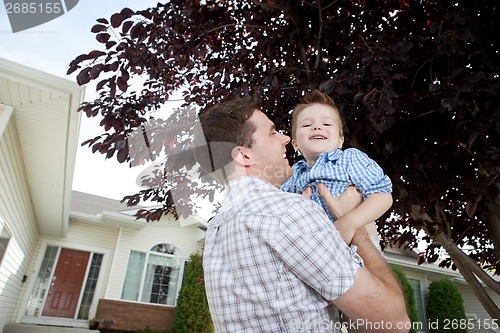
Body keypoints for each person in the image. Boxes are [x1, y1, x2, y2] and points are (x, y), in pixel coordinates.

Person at [195, 96, 409, 332]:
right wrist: (355, 228)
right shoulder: (287, 212)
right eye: (272, 132)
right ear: (244, 155)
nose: (285, 138)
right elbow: (393, 323)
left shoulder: (215, 231)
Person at [281, 90, 393, 246]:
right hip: (315, 249)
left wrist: (349, 222)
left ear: (340, 141)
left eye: (326, 124)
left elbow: (382, 195)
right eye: (307, 124)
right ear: (295, 144)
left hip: (355, 247)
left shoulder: (349, 159)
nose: (317, 127)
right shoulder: (294, 176)